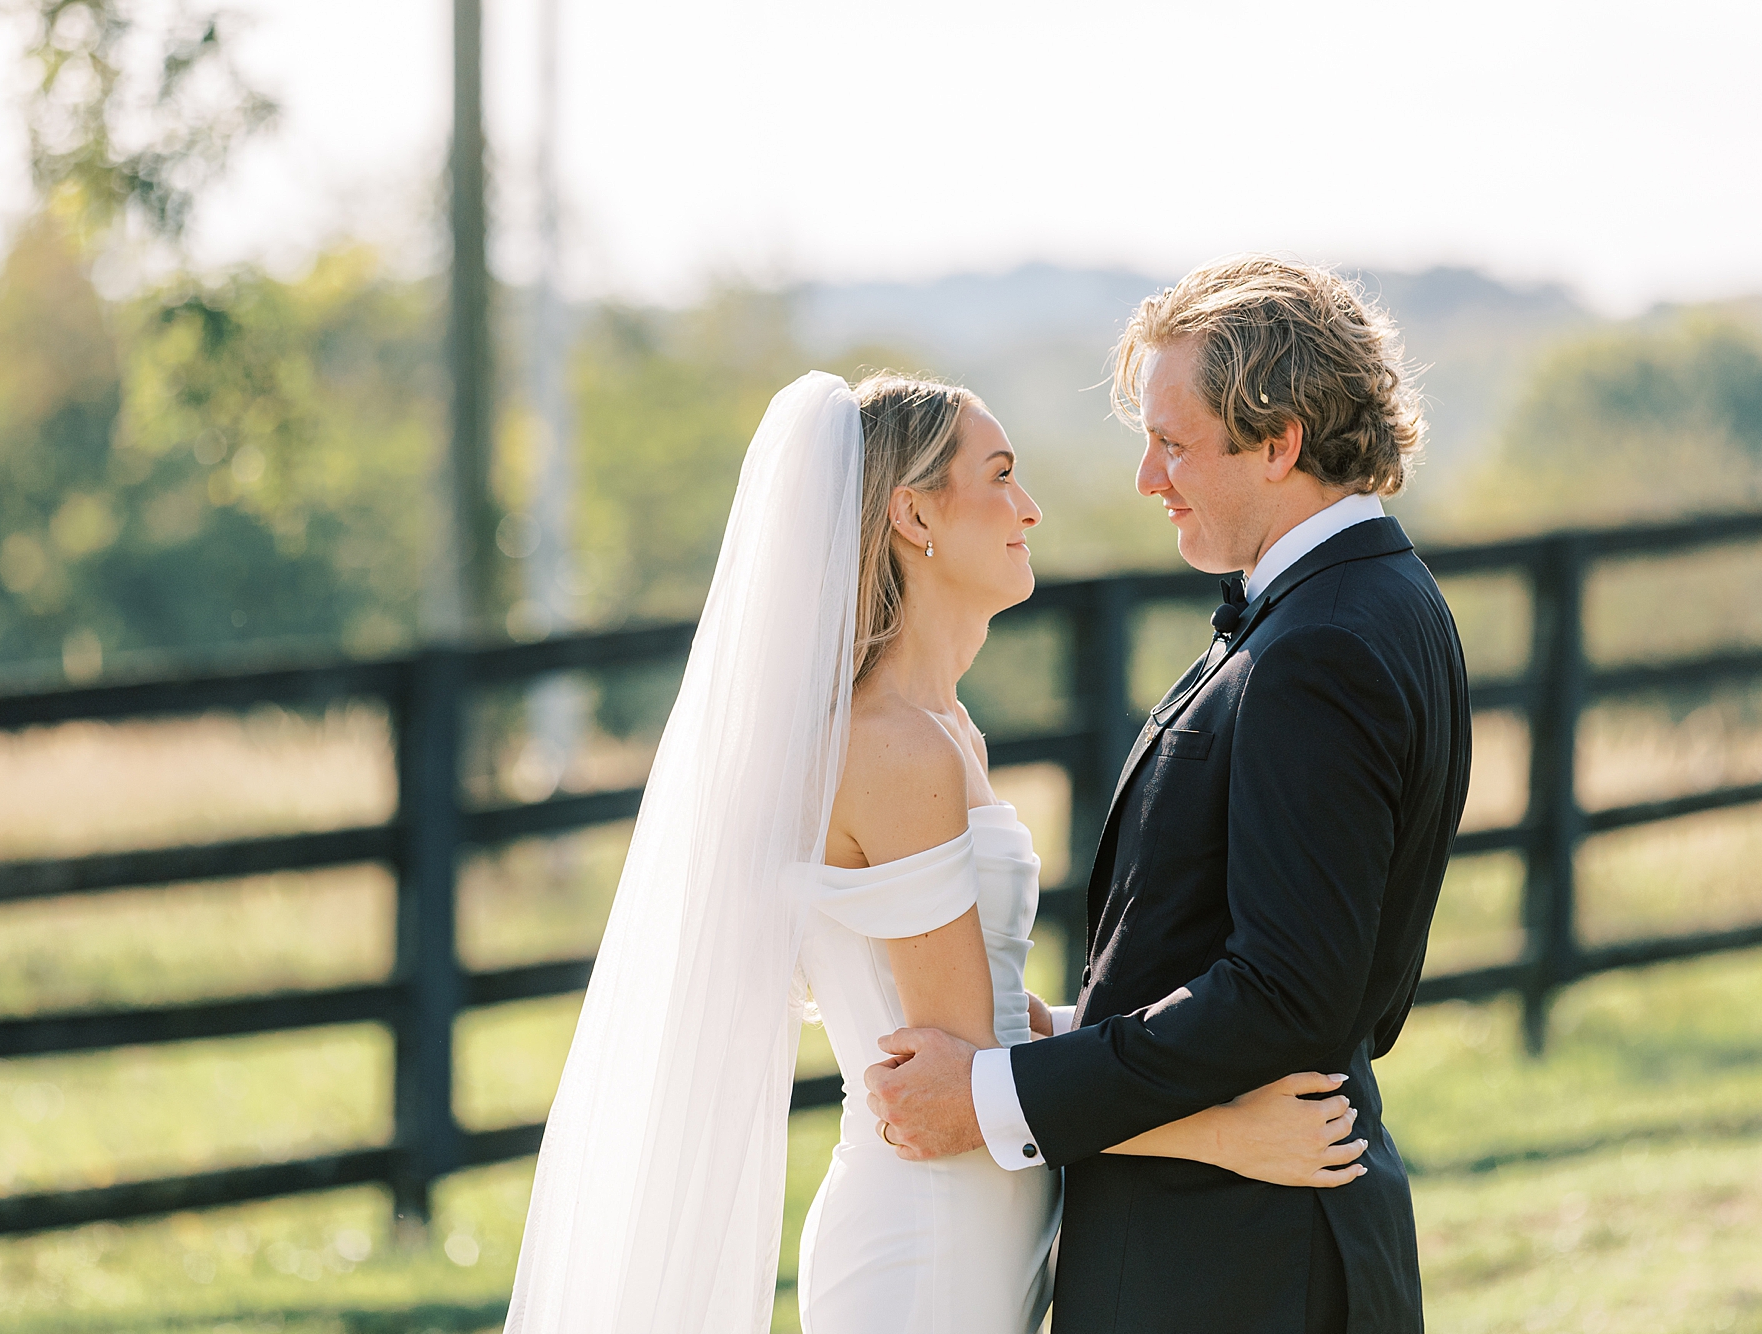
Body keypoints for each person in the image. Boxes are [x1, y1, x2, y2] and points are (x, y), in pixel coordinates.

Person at [505, 367, 1367, 1334]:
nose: (1029, 508)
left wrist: (1137, 1036)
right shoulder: (892, 747)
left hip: (990, 1218)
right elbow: (965, 1072)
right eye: (999, 475)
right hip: (925, 1236)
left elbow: (994, 1019)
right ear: (914, 515)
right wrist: (1224, 1135)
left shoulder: (946, 726)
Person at [867, 256, 1474, 1334]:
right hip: (1263, 1236)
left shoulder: (1316, 646)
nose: (1148, 477)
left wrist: (992, 1097)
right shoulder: (1368, 600)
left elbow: (1286, 991)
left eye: (1173, 441)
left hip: (1235, 1265)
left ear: (1279, 440)